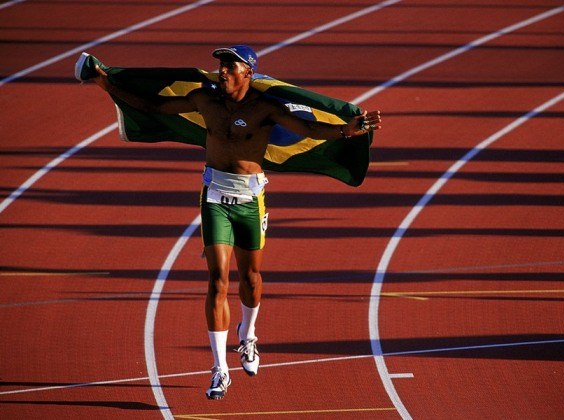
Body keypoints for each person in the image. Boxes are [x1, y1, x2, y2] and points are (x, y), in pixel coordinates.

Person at [90, 44, 381, 400]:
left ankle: (249, 336)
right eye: (221, 66)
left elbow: (306, 128)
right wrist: (107, 85)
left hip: (250, 200)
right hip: (214, 197)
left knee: (251, 279)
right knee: (217, 280)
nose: (222, 71)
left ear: (249, 73)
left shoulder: (265, 108)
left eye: (230, 66)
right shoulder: (204, 100)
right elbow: (153, 106)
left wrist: (346, 131)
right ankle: (219, 370)